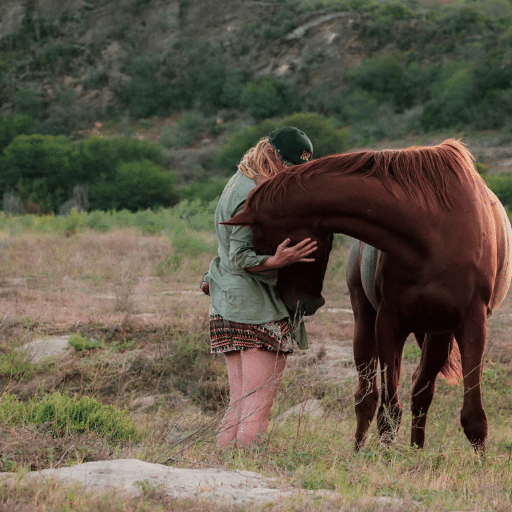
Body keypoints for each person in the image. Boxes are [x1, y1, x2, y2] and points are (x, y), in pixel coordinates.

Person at [201, 126, 317, 448]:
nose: (291, 173)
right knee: (257, 408)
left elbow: (227, 248)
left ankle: (221, 476)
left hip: (226, 304)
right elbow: (240, 256)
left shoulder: (237, 181)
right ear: (274, 155)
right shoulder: (252, 192)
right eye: (289, 165)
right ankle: (246, 482)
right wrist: (276, 261)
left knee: (238, 405)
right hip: (253, 308)